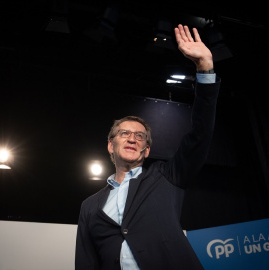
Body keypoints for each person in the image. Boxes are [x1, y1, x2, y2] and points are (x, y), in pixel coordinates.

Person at [75, 24, 221, 270]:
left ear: (147, 150)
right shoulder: (90, 206)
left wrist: (205, 67)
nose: (132, 139)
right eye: (124, 133)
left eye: (140, 137)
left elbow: (201, 134)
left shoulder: (166, 177)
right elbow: (86, 262)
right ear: (111, 145)